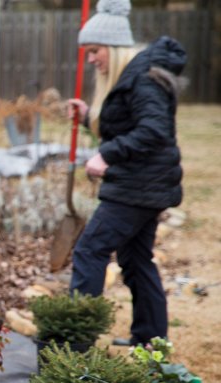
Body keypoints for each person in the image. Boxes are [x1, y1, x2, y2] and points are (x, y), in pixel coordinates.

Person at [68, 0, 187, 346]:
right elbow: (129, 125)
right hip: (144, 185)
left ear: (114, 48)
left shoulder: (143, 79)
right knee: (136, 260)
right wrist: (91, 115)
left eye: (94, 51)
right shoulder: (131, 77)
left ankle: (75, 346)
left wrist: (106, 154)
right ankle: (151, 340)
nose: (91, 59)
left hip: (138, 186)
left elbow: (154, 130)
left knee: (89, 251)